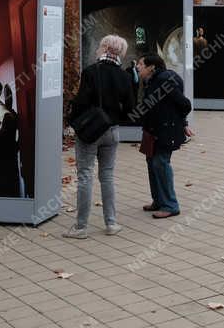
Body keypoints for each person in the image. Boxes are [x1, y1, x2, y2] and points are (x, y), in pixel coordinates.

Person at [64, 35, 135, 238]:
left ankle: (80, 228)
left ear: (103, 48)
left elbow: (81, 102)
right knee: (107, 176)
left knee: (85, 176)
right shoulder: (124, 76)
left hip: (90, 132)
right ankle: (111, 223)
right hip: (112, 131)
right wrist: (113, 116)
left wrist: (74, 122)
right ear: (119, 53)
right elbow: (130, 108)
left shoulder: (90, 72)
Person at [135, 54, 192, 218]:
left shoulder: (164, 80)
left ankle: (170, 205)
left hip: (165, 131)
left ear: (151, 67)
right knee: (152, 163)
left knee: (160, 164)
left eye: (140, 64)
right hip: (153, 130)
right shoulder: (152, 80)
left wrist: (182, 123)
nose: (138, 67)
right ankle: (159, 201)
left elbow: (184, 104)